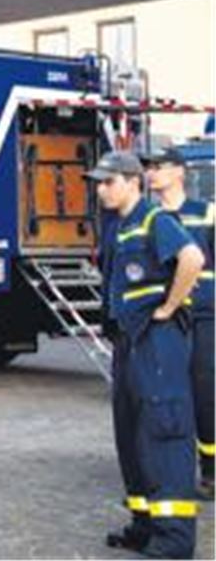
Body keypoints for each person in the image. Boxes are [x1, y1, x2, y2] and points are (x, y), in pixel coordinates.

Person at [87, 151, 203, 558]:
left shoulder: (156, 220)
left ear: (133, 181)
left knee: (164, 430)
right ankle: (145, 523)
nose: (101, 189)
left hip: (157, 341)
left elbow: (193, 258)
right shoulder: (118, 226)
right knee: (132, 432)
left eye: (109, 182)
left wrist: (170, 307)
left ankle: (174, 539)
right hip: (129, 340)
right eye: (98, 182)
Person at [142, 147, 215, 501]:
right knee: (170, 396)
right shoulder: (148, 218)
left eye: (158, 167)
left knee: (206, 394)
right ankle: (174, 470)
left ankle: (212, 470)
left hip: (203, 316)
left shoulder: (206, 213)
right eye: (148, 168)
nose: (151, 173)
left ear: (180, 172)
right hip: (165, 321)